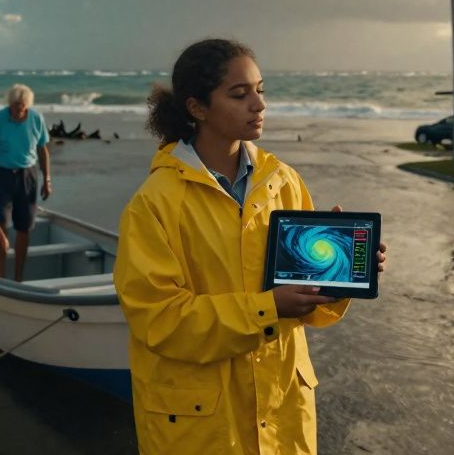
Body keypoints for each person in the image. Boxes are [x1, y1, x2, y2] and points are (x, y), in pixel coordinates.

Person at [113, 39, 387, 455]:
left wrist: (339, 274)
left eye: (261, 91)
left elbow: (304, 300)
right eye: (239, 95)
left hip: (281, 414)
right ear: (197, 108)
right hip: (202, 428)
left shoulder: (284, 181)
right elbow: (160, 320)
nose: (258, 105)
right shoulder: (155, 203)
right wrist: (267, 308)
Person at [0, 84, 51, 282]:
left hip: (27, 175)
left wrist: (47, 179)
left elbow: (43, 150)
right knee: (0, 225)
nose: (18, 109)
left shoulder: (36, 118)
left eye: (21, 105)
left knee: (24, 227)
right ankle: (1, 276)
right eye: (14, 105)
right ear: (9, 104)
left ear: (27, 105)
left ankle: (18, 277)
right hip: (2, 175)